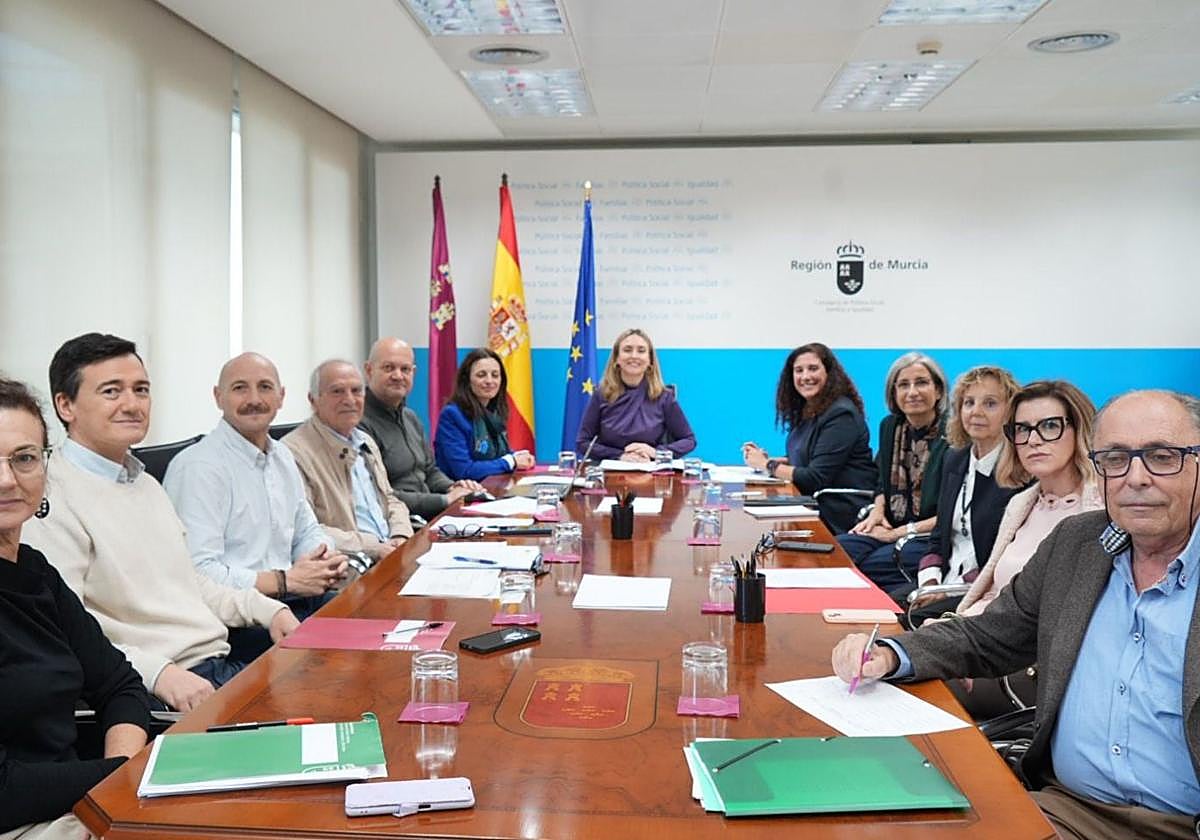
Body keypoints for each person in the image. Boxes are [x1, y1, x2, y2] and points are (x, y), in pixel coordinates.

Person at [832, 389, 1200, 839]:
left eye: (1163, 457)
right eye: (1116, 459)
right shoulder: (1078, 544)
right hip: (1064, 809)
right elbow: (992, 635)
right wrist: (892, 653)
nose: (1136, 478)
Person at [23, 333, 298, 715]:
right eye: (111, 391)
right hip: (162, 688)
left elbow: (188, 582)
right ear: (65, 405)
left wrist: (268, 609)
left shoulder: (143, 481)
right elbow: (67, 628)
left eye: (141, 390)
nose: (132, 404)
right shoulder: (49, 495)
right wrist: (158, 674)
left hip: (217, 660)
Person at [0, 378, 150, 839]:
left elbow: (120, 684)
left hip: (82, 805)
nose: (7, 480)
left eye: (24, 458)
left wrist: (121, 771)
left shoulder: (36, 572)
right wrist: (122, 778)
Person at [163, 353, 347, 662]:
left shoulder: (283, 456)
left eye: (264, 387)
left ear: (281, 397)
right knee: (334, 661)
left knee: (368, 623)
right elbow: (197, 573)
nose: (254, 399)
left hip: (291, 598)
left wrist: (321, 561)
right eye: (239, 388)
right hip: (236, 622)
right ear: (218, 397)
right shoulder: (198, 468)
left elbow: (306, 529)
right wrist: (286, 580)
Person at [901, 366, 1024, 622]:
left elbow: (1002, 563)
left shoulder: (1019, 473)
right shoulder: (954, 459)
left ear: (1010, 413)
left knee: (898, 623)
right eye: (968, 403)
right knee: (877, 607)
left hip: (980, 592)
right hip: (941, 581)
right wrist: (930, 581)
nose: (976, 412)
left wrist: (942, 591)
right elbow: (938, 538)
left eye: (990, 403)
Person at [837, 351, 950, 590]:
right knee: (837, 551)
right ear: (894, 393)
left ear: (938, 390)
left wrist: (899, 533)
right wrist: (877, 513)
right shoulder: (890, 427)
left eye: (921, 382)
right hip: (890, 526)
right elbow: (881, 481)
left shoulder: (953, 435)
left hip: (929, 535)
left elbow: (952, 511)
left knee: (869, 567)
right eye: (903, 385)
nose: (912, 392)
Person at [283, 360, 413, 561]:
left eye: (356, 391)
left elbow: (390, 498)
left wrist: (400, 535)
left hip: (392, 554)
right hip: (350, 567)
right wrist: (374, 547)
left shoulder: (364, 441)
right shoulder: (293, 453)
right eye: (337, 391)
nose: (349, 400)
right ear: (313, 399)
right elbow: (305, 530)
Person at [741, 343, 876, 534]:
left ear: (829, 373)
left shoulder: (841, 415)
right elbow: (813, 459)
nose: (805, 376)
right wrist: (772, 460)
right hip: (810, 502)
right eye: (799, 370)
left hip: (837, 511)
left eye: (813, 369)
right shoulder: (810, 411)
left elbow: (815, 477)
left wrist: (767, 466)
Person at [359, 338, 483, 519]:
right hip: (399, 525)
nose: (398, 376)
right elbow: (378, 496)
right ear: (369, 370)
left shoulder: (410, 418)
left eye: (405, 369)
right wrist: (444, 500)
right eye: (388, 368)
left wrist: (454, 487)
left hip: (430, 517)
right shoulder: (359, 424)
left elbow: (430, 471)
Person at [575, 328, 696, 462]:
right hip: (611, 473)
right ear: (616, 359)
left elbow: (689, 440)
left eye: (641, 351)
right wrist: (620, 456)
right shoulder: (602, 394)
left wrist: (656, 453)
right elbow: (583, 442)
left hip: (652, 473)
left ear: (650, 360)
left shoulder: (664, 397)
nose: (634, 356)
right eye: (627, 350)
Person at [434, 348, 536, 481]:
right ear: (467, 380)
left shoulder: (494, 412)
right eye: (481, 375)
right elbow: (464, 470)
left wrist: (519, 456)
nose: (489, 381)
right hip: (461, 495)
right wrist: (511, 461)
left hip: (493, 488)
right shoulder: (452, 415)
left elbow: (499, 454)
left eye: (495, 375)